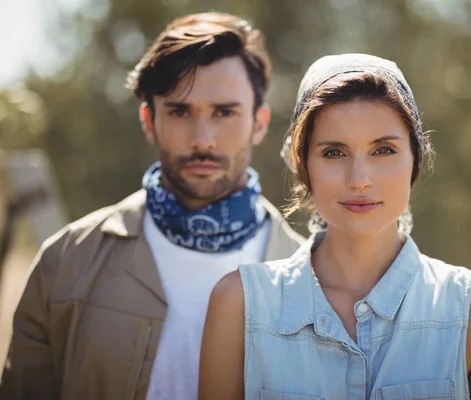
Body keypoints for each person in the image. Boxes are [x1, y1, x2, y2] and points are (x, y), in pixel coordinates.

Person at [0, 12, 304, 400]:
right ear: (149, 120)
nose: (203, 139)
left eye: (224, 112)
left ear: (259, 123)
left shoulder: (310, 277)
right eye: (180, 111)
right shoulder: (67, 262)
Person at [199, 53, 471, 399]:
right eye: (334, 153)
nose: (360, 179)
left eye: (383, 150)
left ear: (416, 158)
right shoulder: (239, 304)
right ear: (303, 165)